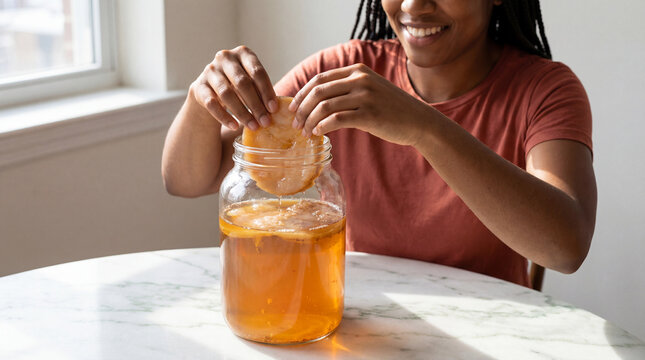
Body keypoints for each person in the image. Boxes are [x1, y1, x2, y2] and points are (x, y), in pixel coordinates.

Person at [161, 0, 597, 287]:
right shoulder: (344, 73)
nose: (412, 6)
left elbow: (564, 248)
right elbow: (185, 180)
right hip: (359, 324)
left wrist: (424, 128)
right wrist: (202, 100)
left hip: (489, 332)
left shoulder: (545, 90)